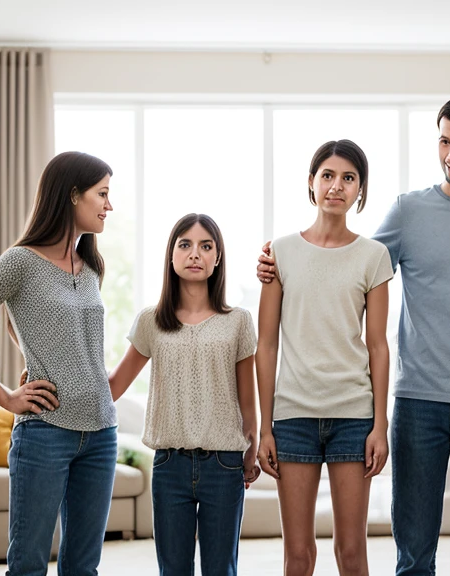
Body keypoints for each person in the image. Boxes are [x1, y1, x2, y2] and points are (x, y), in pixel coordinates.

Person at [258, 95, 450, 575]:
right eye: (444, 141)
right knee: (412, 556)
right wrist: (277, 261)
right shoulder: (409, 212)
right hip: (417, 402)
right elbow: (349, 261)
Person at [0, 151, 118, 576]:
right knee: (28, 565)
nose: (110, 206)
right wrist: (6, 397)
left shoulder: (91, 266)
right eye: (103, 194)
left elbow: (29, 326)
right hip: (44, 434)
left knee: (83, 569)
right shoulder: (19, 261)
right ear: (73, 195)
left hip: (102, 432)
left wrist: (38, 354)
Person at [255, 139, 392, 576]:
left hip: (353, 416)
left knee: (351, 554)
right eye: (327, 176)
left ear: (360, 190)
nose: (337, 186)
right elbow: (267, 344)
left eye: (348, 178)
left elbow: (378, 345)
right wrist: (265, 428)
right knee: (298, 556)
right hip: (293, 417)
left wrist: (380, 424)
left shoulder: (374, 257)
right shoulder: (280, 252)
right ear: (311, 184)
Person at [108, 213, 259, 576]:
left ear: (217, 257)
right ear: (172, 257)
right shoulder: (151, 320)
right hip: (169, 465)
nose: (195, 254)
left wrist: (252, 447)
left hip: (224, 464)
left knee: (220, 569)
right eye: (185, 245)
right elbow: (113, 385)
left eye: (206, 246)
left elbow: (246, 398)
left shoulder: (238, 321)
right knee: (172, 569)